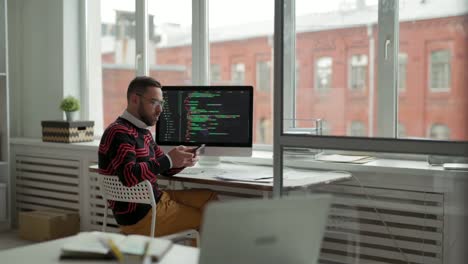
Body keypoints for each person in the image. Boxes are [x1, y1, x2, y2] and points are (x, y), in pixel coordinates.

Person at [98, 76, 218, 238]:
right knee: (211, 219)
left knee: (209, 198)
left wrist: (181, 159)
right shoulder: (119, 132)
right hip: (142, 217)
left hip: (156, 200)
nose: (160, 110)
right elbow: (128, 176)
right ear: (134, 99)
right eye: (154, 102)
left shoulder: (143, 132)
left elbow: (164, 168)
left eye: (161, 104)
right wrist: (169, 160)